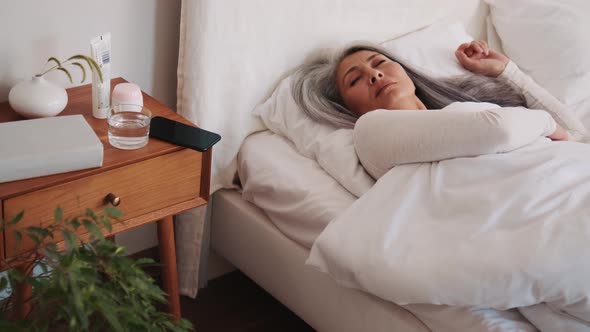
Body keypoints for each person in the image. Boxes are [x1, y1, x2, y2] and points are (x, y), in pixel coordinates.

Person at [292, 41, 589, 179]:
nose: (375, 75)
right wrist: (546, 125)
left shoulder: (464, 109)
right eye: (354, 79)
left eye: (380, 62)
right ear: (347, 107)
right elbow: (500, 130)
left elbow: (576, 134)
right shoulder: (370, 133)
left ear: (405, 71)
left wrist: (507, 72)